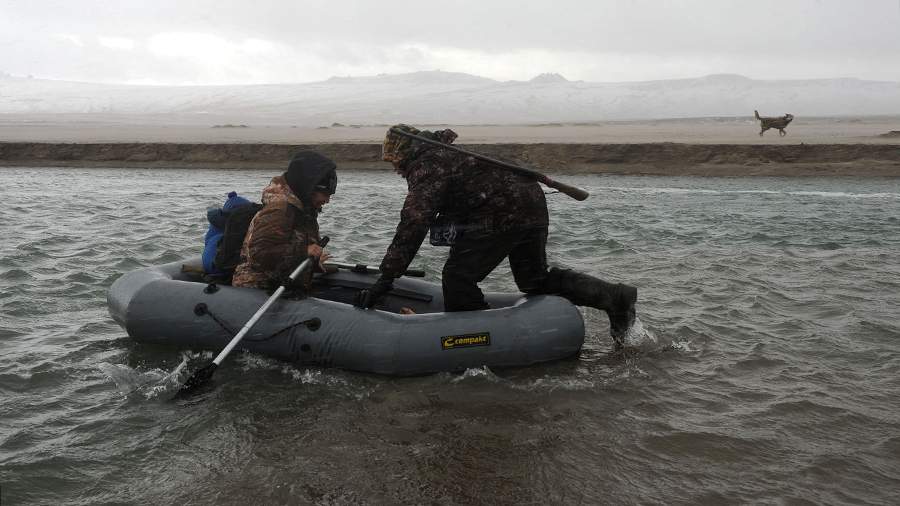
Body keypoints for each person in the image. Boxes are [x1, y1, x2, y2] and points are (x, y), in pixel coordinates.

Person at [354, 124, 637, 344]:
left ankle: (482, 340)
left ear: (404, 153)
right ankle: (614, 297)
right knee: (534, 280)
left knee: (457, 279)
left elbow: (414, 222)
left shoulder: (428, 165)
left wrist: (387, 278)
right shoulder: (449, 155)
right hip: (531, 205)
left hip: (499, 213)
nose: (395, 169)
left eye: (394, 161)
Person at [231, 151, 337, 294]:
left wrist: (313, 263)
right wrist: (304, 252)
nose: (327, 201)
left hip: (284, 284)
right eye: (325, 194)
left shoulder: (304, 208)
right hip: (259, 288)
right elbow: (259, 254)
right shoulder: (280, 209)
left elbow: (292, 247)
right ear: (310, 187)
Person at [202, 191, 253, 277]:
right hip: (221, 267)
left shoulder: (216, 222)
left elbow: (207, 244)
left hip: (210, 264)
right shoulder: (240, 223)